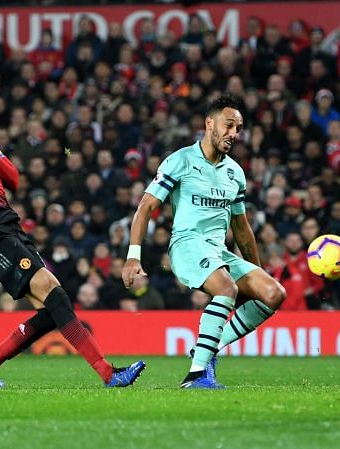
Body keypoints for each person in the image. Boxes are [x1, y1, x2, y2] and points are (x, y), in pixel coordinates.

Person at [0, 75, 144, 388]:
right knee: (53, 292)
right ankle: (107, 372)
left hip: (8, 222)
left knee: (51, 308)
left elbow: (14, 180)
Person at [123, 95, 287, 389]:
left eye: (238, 128)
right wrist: (133, 256)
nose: (234, 134)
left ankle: (205, 349)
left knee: (273, 293)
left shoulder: (235, 173)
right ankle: (196, 375)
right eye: (228, 125)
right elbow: (145, 207)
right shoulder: (180, 160)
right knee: (226, 288)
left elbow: (241, 226)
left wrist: (256, 272)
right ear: (209, 123)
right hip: (186, 245)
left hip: (219, 252)